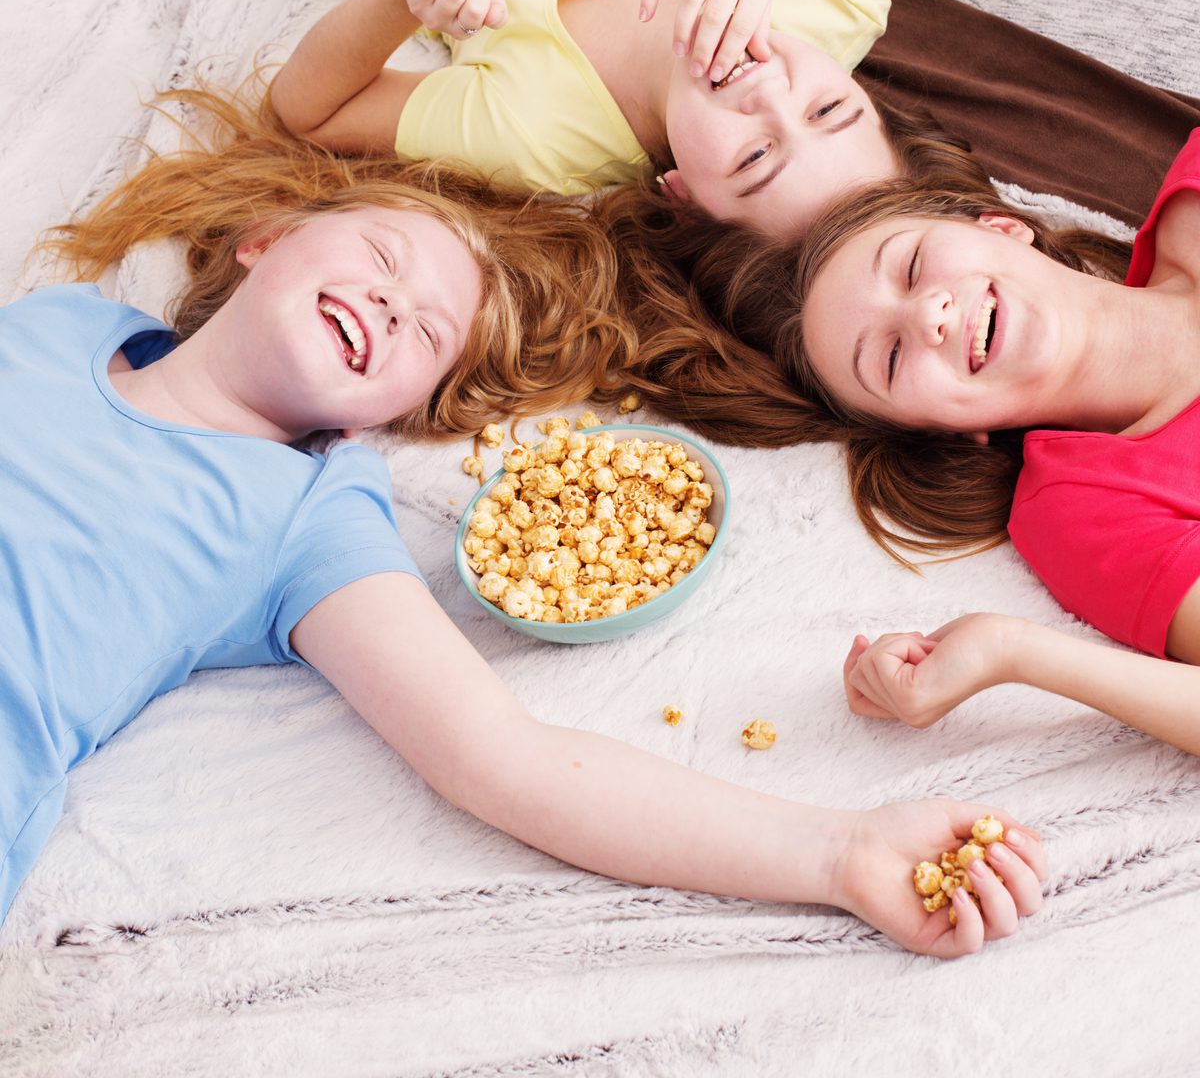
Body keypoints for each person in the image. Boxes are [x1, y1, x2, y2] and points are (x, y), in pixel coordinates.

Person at [0, 89, 1049, 956]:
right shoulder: (63, 323)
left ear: (392, 416)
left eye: (427, 333)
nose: (390, 305)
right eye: (379, 255)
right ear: (263, 242)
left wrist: (841, 853)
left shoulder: (310, 516)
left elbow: (501, 757)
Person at [769, 129, 1200, 756]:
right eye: (890, 359)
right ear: (948, 431)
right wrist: (1012, 651)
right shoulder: (1081, 509)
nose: (927, 316)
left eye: (911, 266)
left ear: (1001, 227)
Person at [253, 0, 1004, 238]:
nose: (767, 94)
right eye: (828, 108)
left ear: (682, 194)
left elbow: (307, 111)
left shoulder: (548, 141)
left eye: (753, 158)